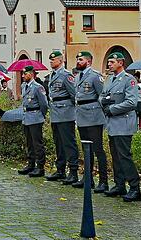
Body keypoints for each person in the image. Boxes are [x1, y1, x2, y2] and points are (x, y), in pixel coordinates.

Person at [100, 52, 141, 202]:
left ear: (120, 63)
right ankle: (119, 185)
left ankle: (135, 188)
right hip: (112, 124)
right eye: (109, 62)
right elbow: (102, 96)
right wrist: (103, 102)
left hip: (123, 123)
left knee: (124, 157)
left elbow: (132, 102)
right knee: (116, 157)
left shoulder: (128, 80)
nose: (109, 64)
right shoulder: (109, 79)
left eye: (112, 62)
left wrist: (112, 108)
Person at [71, 51, 108, 192]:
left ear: (88, 62)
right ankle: (88, 178)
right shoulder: (77, 76)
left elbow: (102, 95)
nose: (78, 61)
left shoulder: (95, 76)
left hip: (93, 116)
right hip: (81, 116)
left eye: (80, 59)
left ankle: (103, 181)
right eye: (77, 59)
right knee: (86, 150)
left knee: (98, 150)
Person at [45, 51, 79, 185]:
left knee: (68, 143)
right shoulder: (52, 75)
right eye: (50, 60)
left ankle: (73, 171)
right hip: (55, 113)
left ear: (60, 61)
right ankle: (60, 170)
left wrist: (72, 112)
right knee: (58, 143)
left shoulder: (66, 75)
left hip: (65, 114)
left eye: (53, 60)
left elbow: (73, 95)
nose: (51, 62)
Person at [18, 66, 48, 177]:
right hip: (26, 117)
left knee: (37, 144)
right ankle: (31, 164)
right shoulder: (24, 86)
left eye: (25, 74)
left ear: (31, 74)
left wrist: (41, 116)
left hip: (35, 117)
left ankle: (40, 167)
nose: (22, 76)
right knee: (29, 143)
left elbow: (44, 104)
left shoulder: (38, 87)